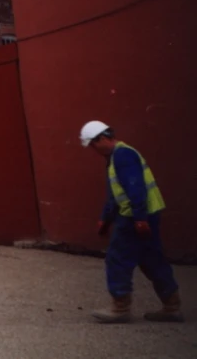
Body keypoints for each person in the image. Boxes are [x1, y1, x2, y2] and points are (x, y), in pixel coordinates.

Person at [79, 121, 184, 323]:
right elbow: (115, 194)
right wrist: (106, 218)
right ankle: (172, 306)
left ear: (102, 138)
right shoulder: (117, 156)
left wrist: (139, 218)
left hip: (133, 218)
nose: (93, 150)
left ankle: (120, 308)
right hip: (144, 216)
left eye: (93, 144)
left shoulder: (122, 156)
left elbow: (135, 189)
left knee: (117, 258)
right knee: (152, 259)